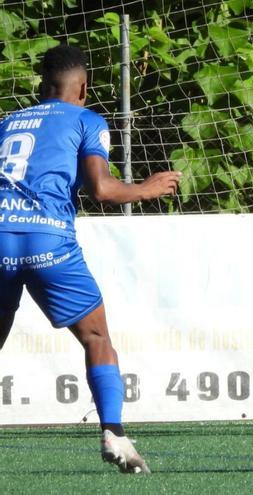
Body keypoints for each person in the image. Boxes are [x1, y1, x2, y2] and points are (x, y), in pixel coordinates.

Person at [0, 45, 181, 473]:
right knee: (97, 338)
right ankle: (114, 435)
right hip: (49, 241)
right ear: (83, 87)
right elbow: (101, 188)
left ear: (42, 86)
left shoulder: (7, 123)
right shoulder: (86, 119)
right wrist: (148, 187)